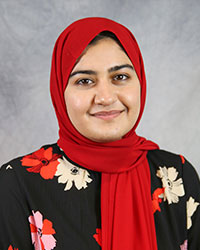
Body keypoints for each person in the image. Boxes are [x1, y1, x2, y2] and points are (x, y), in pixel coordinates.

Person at [0, 17, 199, 250]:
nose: (105, 97)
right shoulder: (17, 184)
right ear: (59, 91)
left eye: (120, 77)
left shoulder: (176, 176)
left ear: (140, 82)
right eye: (84, 81)